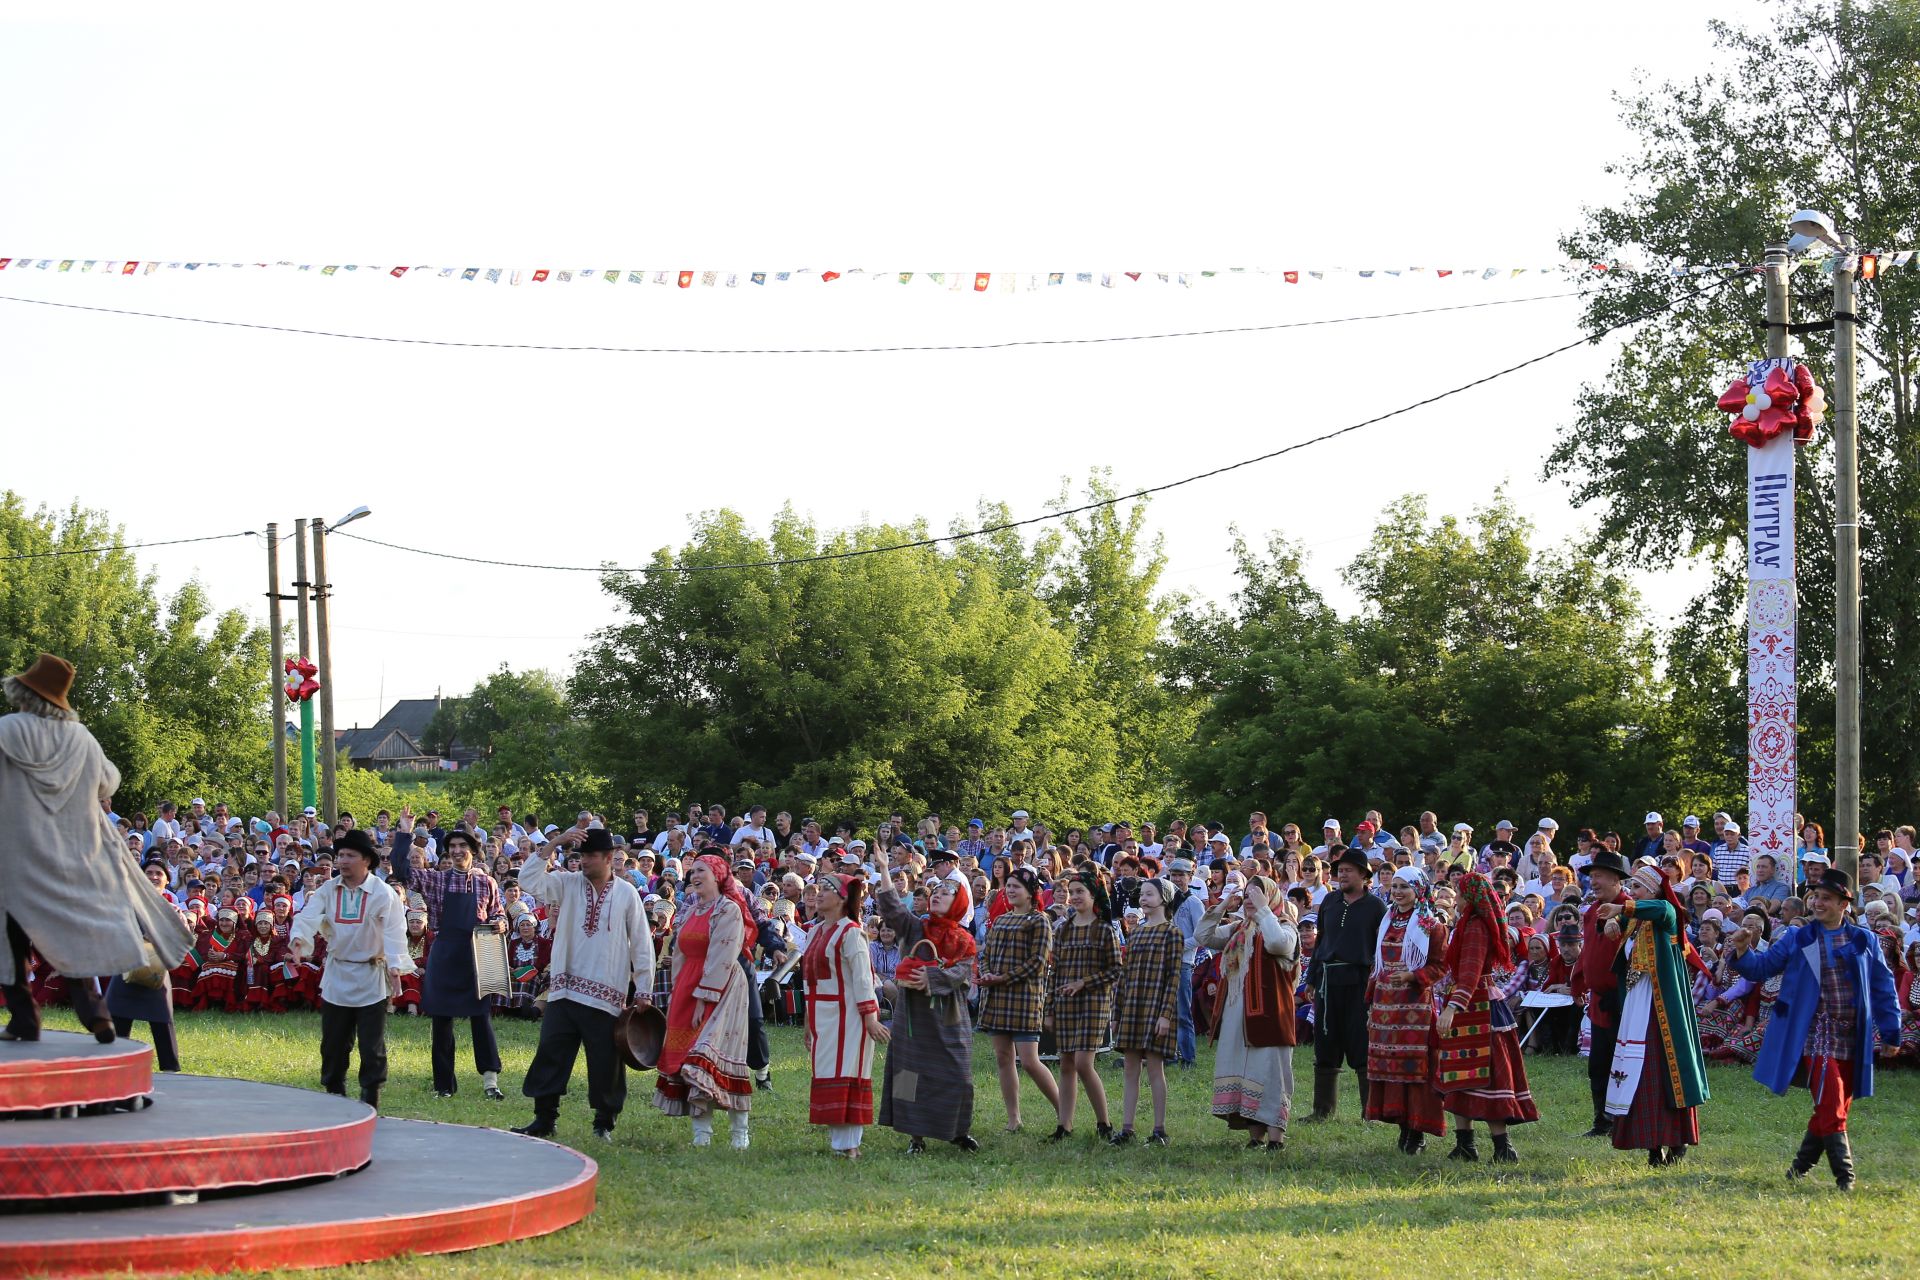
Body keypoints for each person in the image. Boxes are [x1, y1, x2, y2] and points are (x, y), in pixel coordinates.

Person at [0, 654, 193, 1043]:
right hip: (72, 858)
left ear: (24, 693)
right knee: (73, 937)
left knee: (10, 940)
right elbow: (109, 783)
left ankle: (24, 1018)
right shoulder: (83, 739)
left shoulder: (6, 730)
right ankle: (97, 1015)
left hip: (14, 859)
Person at [1728, 867, 1901, 1191]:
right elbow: (1761, 968)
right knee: (1831, 1101)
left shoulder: (1865, 940)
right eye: (1816, 897)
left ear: (1844, 904)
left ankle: (1799, 1168)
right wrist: (1742, 949)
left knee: (1832, 1106)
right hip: (1813, 1035)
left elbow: (1883, 988)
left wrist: (1891, 1032)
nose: (1818, 903)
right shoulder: (1797, 937)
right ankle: (1845, 1179)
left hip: (1853, 1035)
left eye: (1826, 898)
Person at [511, 828, 654, 1143]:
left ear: (608, 858)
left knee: (605, 1062)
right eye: (580, 855)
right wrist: (554, 844)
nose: (584, 861)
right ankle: (544, 1119)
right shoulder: (566, 883)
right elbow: (527, 880)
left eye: (590, 856)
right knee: (551, 1053)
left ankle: (604, 1123)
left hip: (606, 994)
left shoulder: (627, 893)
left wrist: (643, 988)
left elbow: (642, 944)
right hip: (563, 990)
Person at [1595, 864, 1710, 1167]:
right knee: (1637, 1072)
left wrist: (1623, 907)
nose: (1633, 894)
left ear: (1654, 890)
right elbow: (1620, 939)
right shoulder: (1633, 922)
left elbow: (1660, 909)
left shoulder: (1668, 913)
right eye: (1631, 889)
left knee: (1662, 1070)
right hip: (1637, 1004)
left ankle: (1676, 1139)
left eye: (1639, 889)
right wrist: (1613, 923)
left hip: (1662, 1010)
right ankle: (1651, 1145)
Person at [289, 830, 414, 1106]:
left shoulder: (383, 894)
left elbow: (395, 931)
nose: (343, 861)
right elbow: (308, 916)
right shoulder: (328, 889)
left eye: (350, 856)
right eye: (340, 855)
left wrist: (395, 966)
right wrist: (299, 940)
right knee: (333, 1043)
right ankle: (335, 1094)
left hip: (372, 976)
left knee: (372, 1046)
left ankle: (371, 1098)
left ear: (366, 861)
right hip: (337, 974)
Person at [390, 825, 509, 1100]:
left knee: (481, 1019)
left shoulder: (486, 882)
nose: (456, 851)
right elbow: (400, 869)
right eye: (452, 847)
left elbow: (498, 913)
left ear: (472, 851)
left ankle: (491, 1082)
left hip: (477, 954)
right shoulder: (436, 880)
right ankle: (444, 1085)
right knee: (442, 1021)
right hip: (444, 953)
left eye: (461, 847)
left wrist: (500, 924)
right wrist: (405, 833)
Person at [654, 853, 755, 1149]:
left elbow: (723, 954)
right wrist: (679, 991)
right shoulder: (691, 910)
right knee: (688, 1058)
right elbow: (681, 952)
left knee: (715, 1055)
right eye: (692, 871)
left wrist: (704, 995)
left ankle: (740, 1133)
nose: (694, 875)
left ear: (717, 875)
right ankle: (702, 1133)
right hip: (689, 984)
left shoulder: (728, 910)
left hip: (721, 986)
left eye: (702, 871)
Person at [1435, 873, 1538, 1163]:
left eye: (1459, 891)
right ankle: (1465, 1144)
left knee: (1490, 1078)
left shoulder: (1476, 926)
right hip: (1469, 1004)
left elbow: (1470, 972)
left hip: (1478, 1008)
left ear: (1470, 896)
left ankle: (1503, 1147)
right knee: (1458, 1074)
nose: (1455, 897)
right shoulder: (1468, 922)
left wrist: (1452, 1007)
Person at [874, 873, 979, 1154]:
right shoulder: (915, 927)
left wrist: (930, 978)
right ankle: (915, 1138)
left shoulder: (964, 940)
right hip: (913, 1017)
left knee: (959, 1076)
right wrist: (884, 869)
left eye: (946, 893)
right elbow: (893, 909)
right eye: (936, 891)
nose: (937, 895)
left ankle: (958, 1131)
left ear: (958, 903)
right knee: (909, 1075)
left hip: (949, 1018)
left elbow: (960, 972)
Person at [1196, 874, 1299, 1149]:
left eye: (1258, 894)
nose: (1251, 899)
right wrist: (1221, 907)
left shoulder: (1286, 926)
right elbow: (1202, 936)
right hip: (1237, 1015)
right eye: (1249, 894)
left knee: (1271, 1073)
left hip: (1272, 1015)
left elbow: (1278, 944)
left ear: (1271, 897)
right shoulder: (1239, 929)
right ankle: (1255, 1136)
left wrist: (1265, 909)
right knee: (1245, 1072)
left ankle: (1276, 1138)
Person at [801, 873, 888, 1158]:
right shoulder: (814, 932)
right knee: (827, 1071)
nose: (819, 893)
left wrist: (870, 1017)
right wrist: (806, 1022)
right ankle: (840, 1141)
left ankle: (850, 1145)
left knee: (848, 1070)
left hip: (850, 1015)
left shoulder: (851, 932)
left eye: (827, 889)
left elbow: (864, 979)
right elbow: (808, 981)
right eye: (819, 888)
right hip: (821, 1014)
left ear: (841, 898)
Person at [1364, 866, 1447, 1155]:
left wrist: (1413, 976)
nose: (1397, 892)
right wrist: (1371, 998)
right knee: (1391, 1069)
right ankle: (1402, 1126)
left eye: (1404, 887)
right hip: (1386, 1007)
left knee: (1416, 1070)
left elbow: (1439, 966)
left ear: (1419, 890)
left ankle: (1416, 1131)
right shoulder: (1387, 920)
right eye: (1395, 886)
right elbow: (1379, 965)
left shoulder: (1431, 925)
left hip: (1415, 1007)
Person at [1302, 845, 1384, 1121]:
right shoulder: (1329, 901)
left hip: (1359, 980)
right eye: (1340, 871)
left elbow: (1381, 950)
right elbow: (1322, 940)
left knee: (1361, 1043)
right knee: (1325, 1042)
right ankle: (1322, 1111)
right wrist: (1312, 978)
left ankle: (1369, 1112)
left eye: (1348, 871)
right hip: (1327, 979)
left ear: (1363, 874)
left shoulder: (1376, 907)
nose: (1342, 875)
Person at [977, 866, 1061, 1133]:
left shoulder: (1040, 920)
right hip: (997, 996)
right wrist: (987, 973)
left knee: (1028, 1060)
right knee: (1003, 1057)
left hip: (1025, 997)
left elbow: (1037, 962)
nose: (1011, 891)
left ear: (1030, 892)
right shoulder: (1000, 920)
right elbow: (987, 954)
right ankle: (1014, 1118)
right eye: (1008, 886)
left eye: (1017, 887)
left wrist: (1003, 977)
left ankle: (1063, 1111)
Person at [1045, 869, 1121, 1142]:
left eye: (1080, 892)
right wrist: (1050, 1008)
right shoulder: (1063, 929)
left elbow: (1115, 970)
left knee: (1082, 1063)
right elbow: (1055, 970)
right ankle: (1064, 1125)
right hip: (1065, 1004)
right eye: (1071, 891)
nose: (1074, 896)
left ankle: (1104, 1123)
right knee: (1065, 1063)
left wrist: (1084, 983)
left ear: (1093, 895)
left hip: (1094, 1002)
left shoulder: (1104, 929)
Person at [1110, 876, 1180, 1146]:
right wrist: (1117, 1013)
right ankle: (1127, 1128)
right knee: (1130, 1068)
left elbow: (1173, 977)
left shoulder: (1171, 932)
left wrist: (1165, 1015)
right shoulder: (1136, 931)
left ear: (1164, 898)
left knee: (1154, 1068)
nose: (1143, 898)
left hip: (1155, 1007)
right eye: (1142, 894)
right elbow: (1125, 975)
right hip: (1133, 1007)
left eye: (1150, 894)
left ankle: (1159, 1129)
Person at [1572, 848, 1630, 1137]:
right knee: (1598, 1064)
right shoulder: (1591, 911)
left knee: (1624, 1063)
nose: (1593, 882)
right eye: (1591, 876)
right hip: (1598, 1001)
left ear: (1616, 879)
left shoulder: (1630, 909)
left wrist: (1621, 991)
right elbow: (1588, 953)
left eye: (1599, 876)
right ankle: (1602, 1121)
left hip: (1623, 1000)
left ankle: (1624, 1121)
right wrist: (1578, 980)